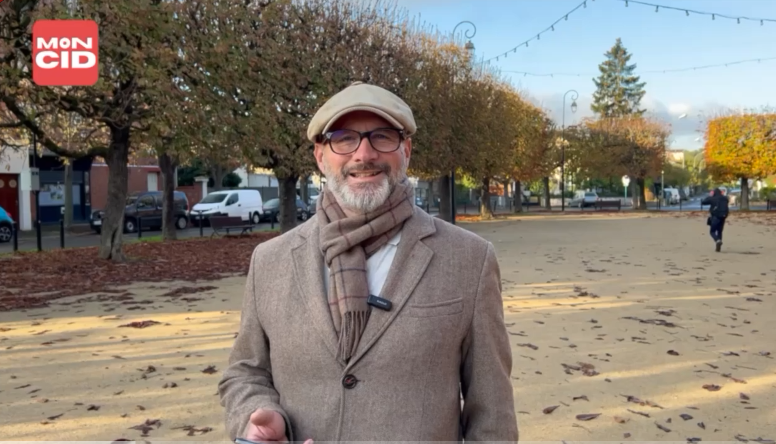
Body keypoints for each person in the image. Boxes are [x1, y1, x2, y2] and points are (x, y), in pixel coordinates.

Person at [218, 82, 518, 443]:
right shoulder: (270, 260)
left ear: (406, 150)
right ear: (320, 156)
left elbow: (493, 413)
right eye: (344, 138)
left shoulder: (469, 259)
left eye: (382, 136)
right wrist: (255, 416)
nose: (364, 154)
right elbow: (245, 372)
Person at [701, 188, 729, 252]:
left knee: (712, 231)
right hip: (723, 216)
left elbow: (703, 202)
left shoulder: (712, 198)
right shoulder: (725, 198)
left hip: (715, 216)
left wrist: (710, 196)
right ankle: (719, 246)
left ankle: (717, 240)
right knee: (719, 231)